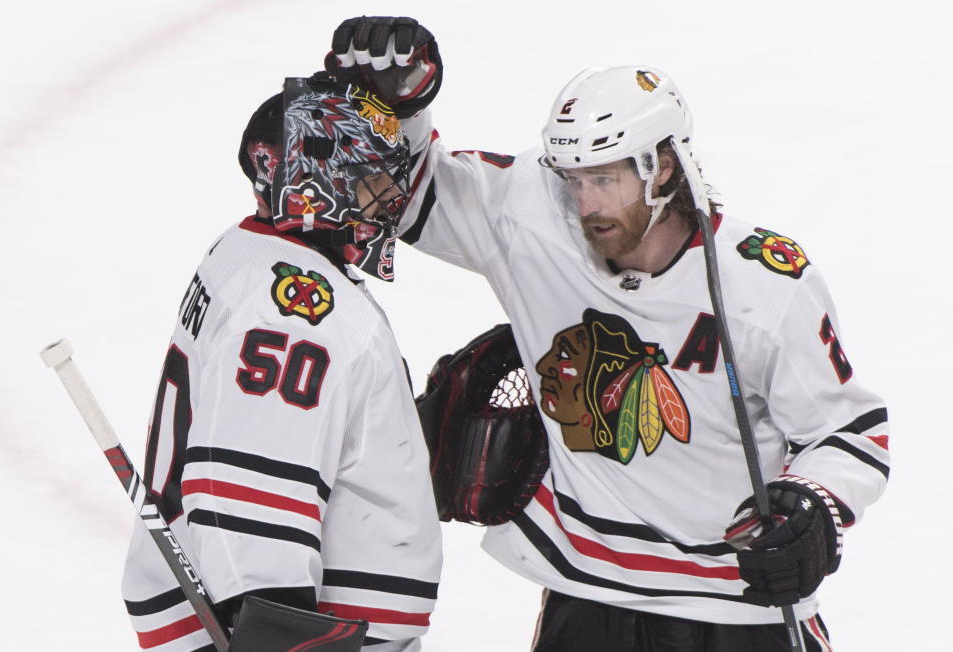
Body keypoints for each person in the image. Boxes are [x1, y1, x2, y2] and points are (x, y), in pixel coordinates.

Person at [324, 18, 890, 651]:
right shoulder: (535, 217)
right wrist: (396, 107)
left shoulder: (762, 282)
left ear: (664, 165)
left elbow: (849, 430)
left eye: (604, 179)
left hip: (736, 612)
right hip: (587, 596)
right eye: (574, 179)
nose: (586, 203)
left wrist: (814, 507)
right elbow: (409, 193)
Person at [120, 75, 442, 652]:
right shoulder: (295, 311)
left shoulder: (248, 254)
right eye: (370, 180)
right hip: (288, 636)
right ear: (315, 185)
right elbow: (252, 518)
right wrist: (279, 634)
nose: (390, 198)